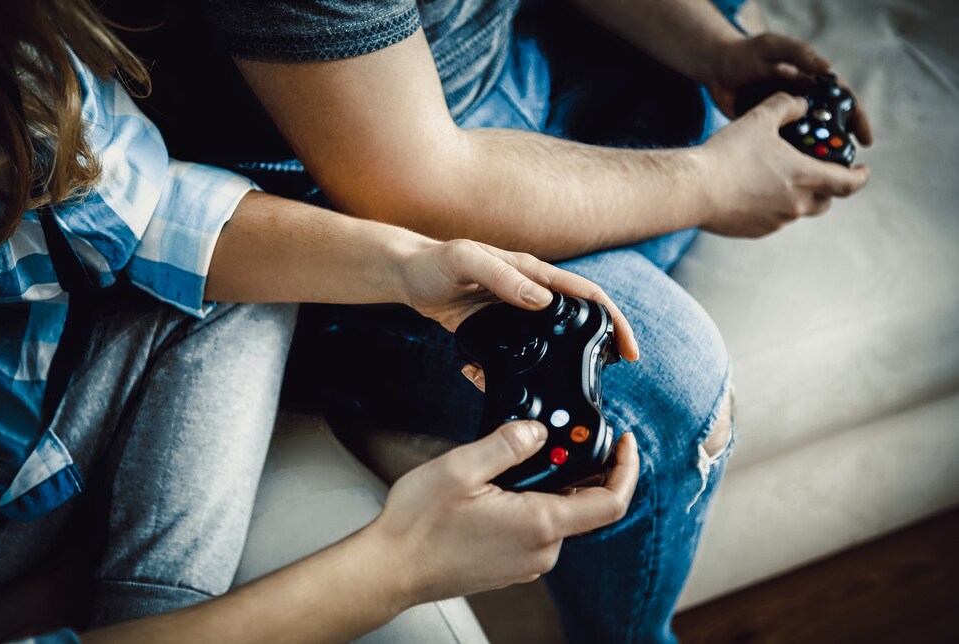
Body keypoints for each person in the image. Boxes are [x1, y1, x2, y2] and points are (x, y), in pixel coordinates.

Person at [94, 0, 874, 640]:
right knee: (666, 388)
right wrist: (711, 184)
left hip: (504, 68)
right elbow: (411, 184)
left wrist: (712, 48)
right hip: (337, 193)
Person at [0, 0, 642, 640]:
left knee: (254, 284)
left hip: (34, 424)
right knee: (665, 392)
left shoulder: (16, 44)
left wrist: (411, 265)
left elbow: (135, 205)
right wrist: (402, 565)